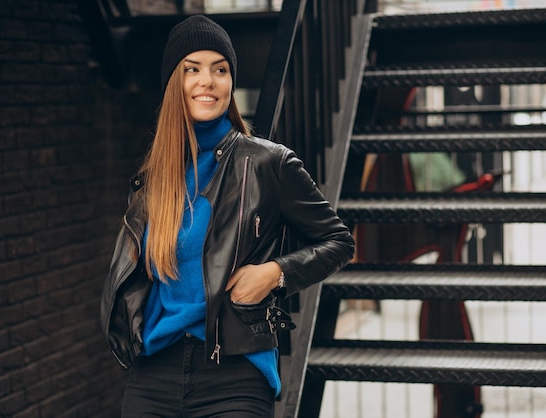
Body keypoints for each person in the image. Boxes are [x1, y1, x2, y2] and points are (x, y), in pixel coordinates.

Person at [100, 14, 355, 418]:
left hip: (234, 374)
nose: (208, 81)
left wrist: (274, 273)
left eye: (220, 69)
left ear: (231, 83)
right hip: (154, 373)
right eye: (192, 69)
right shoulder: (153, 178)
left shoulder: (268, 164)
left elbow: (339, 242)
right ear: (174, 85)